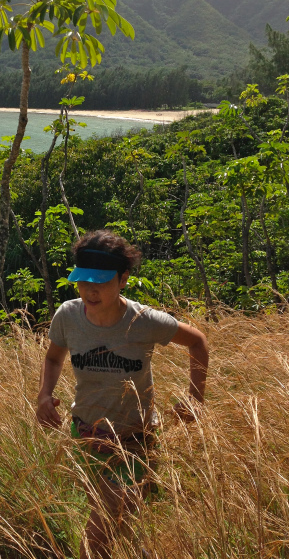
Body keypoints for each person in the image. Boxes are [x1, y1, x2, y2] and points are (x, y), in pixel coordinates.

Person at [36, 230, 209, 559]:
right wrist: (44, 394)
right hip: (89, 435)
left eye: (100, 281)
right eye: (83, 281)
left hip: (137, 438)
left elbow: (197, 342)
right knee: (107, 520)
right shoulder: (68, 316)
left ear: (123, 279)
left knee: (124, 519)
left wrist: (195, 398)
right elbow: (53, 357)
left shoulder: (144, 322)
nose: (90, 290)